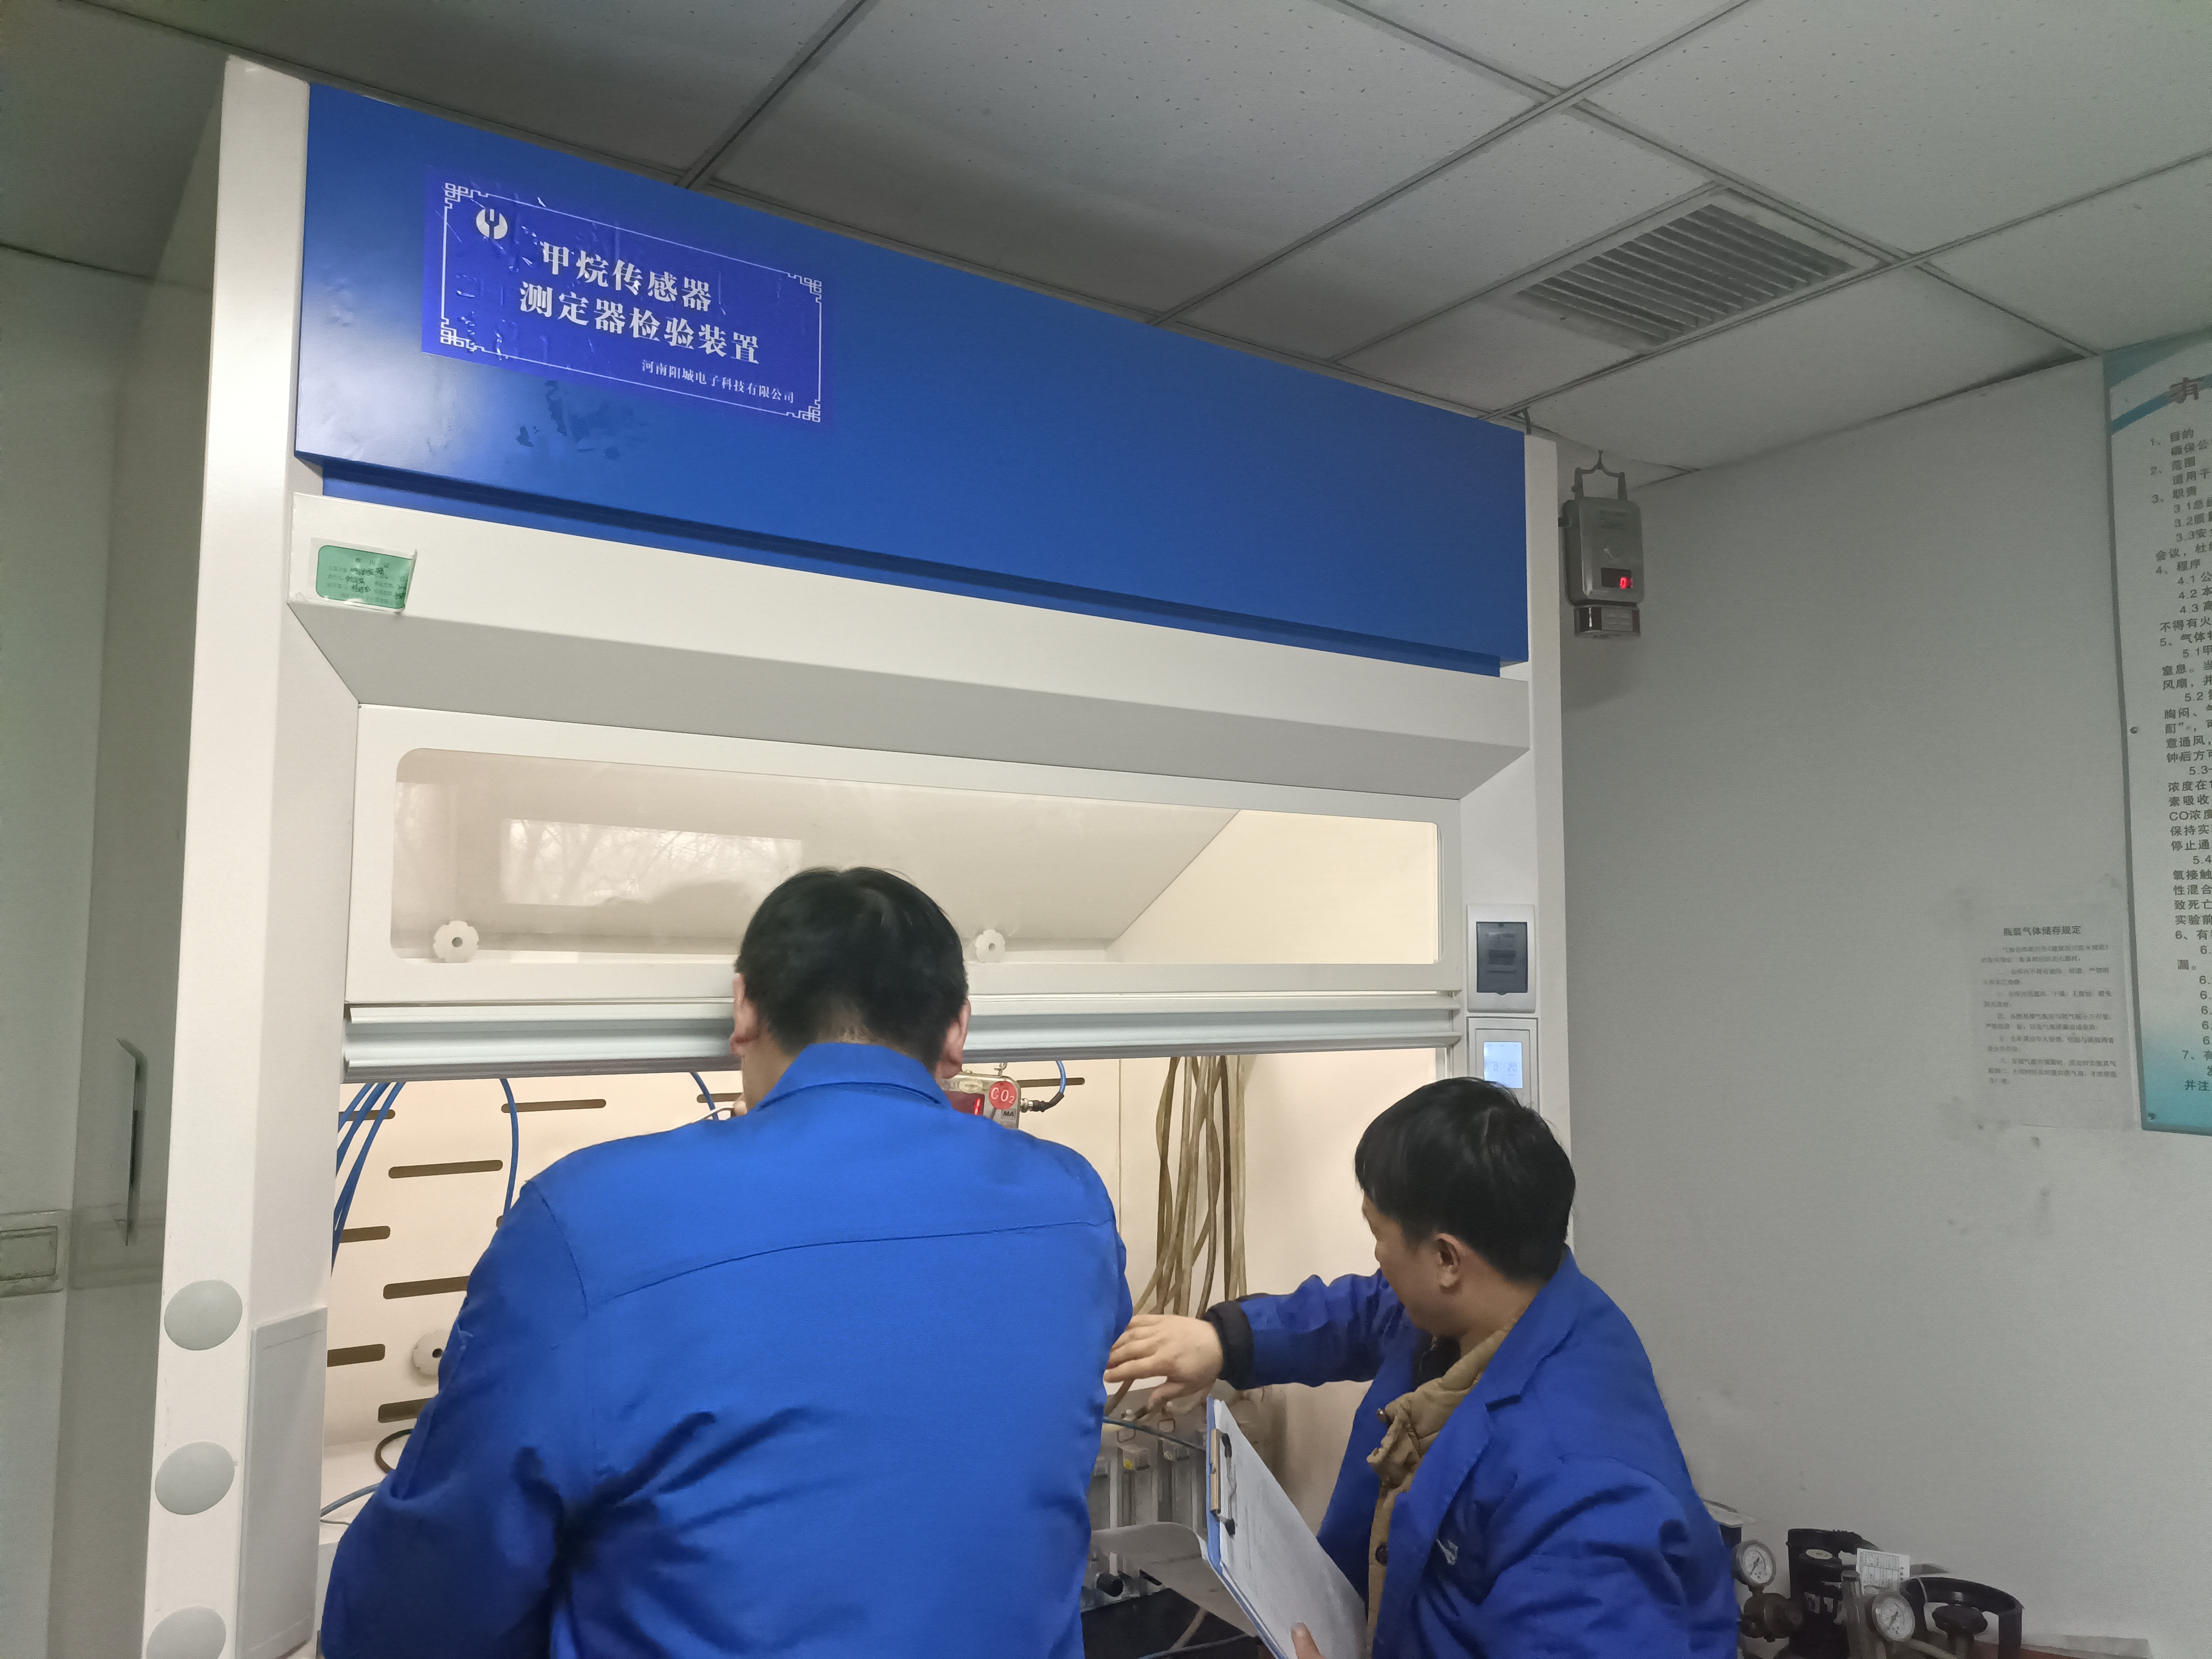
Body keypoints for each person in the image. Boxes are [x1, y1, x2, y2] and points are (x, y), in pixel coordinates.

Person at [325, 867, 1129, 1658]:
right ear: (957, 1031)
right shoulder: (1073, 1202)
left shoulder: (592, 1217)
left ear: (745, 1009)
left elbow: (426, 1599)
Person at [1106, 1078, 1735, 1659]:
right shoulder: (1496, 1301)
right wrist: (1226, 1340)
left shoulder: (1580, 1497)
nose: (1377, 1257)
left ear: (1447, 1260)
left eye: (1378, 1233)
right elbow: (1365, 1311)